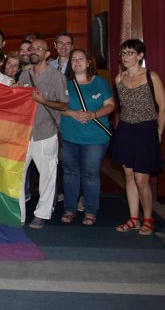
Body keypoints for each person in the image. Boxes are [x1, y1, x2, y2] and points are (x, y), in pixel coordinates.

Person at [112, 39, 165, 236]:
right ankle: (133, 218)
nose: (125, 57)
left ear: (140, 56)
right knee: (128, 176)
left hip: (146, 130)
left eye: (130, 53)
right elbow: (122, 107)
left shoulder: (151, 76)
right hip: (126, 130)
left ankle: (148, 218)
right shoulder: (119, 79)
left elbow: (163, 108)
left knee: (141, 179)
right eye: (123, 53)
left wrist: (158, 132)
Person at [59, 49, 115, 226]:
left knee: (90, 174)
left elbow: (110, 105)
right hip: (69, 136)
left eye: (81, 59)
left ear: (88, 62)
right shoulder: (63, 83)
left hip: (95, 138)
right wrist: (72, 113)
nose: (77, 62)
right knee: (69, 173)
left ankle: (91, 211)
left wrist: (93, 114)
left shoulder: (100, 83)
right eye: (73, 59)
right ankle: (69, 209)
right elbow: (56, 106)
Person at [17, 39, 68, 229]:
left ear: (47, 54)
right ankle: (19, 214)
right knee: (18, 176)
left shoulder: (56, 77)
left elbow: (63, 105)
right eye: (32, 48)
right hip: (24, 134)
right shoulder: (24, 74)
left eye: (39, 48)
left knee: (47, 177)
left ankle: (41, 214)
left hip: (46, 133)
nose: (34, 51)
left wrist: (44, 100)